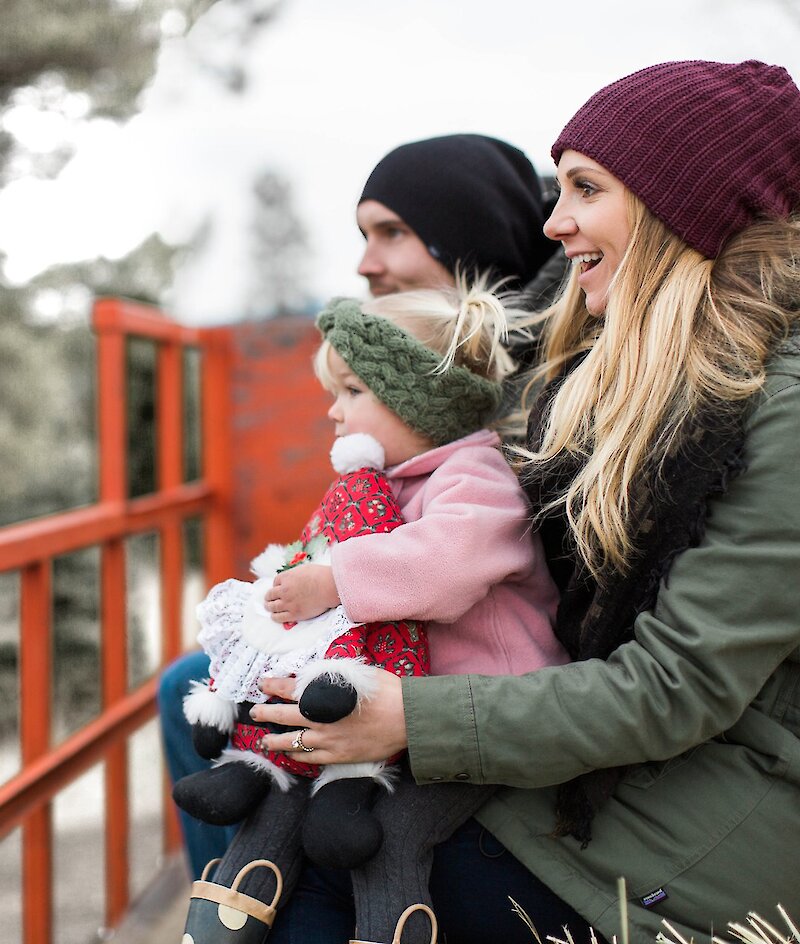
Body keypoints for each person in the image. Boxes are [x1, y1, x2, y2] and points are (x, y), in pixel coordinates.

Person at [247, 59, 800, 943]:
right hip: (620, 771)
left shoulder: (778, 410)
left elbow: (672, 688)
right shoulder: (628, 376)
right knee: (289, 826)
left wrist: (408, 720)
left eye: (588, 187)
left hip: (707, 825)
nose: (556, 219)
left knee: (314, 875)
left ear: (681, 207)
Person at [158, 132, 563, 880]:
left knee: (211, 697)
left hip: (478, 694)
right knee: (204, 682)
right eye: (361, 234)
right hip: (404, 651)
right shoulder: (418, 411)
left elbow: (457, 551)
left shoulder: (520, 390)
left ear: (468, 240)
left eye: (392, 233)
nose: (365, 262)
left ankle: (256, 890)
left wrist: (335, 579)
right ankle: (234, 891)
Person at [181, 283, 569, 942]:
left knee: (389, 832)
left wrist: (333, 580)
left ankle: (392, 927)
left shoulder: (473, 480)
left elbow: (443, 567)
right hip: (399, 717)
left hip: (482, 720)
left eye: (353, 391)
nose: (334, 412)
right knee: (281, 783)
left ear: (420, 400)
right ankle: (227, 911)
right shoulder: (379, 487)